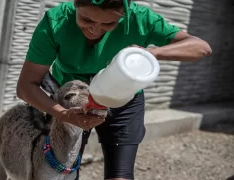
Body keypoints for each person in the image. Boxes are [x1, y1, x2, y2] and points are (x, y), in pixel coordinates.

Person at [16, 0, 212, 179]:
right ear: (76, 4)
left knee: (120, 174)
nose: (95, 30)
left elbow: (201, 47)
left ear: (124, 14)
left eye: (108, 24)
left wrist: (150, 53)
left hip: (123, 99)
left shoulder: (140, 19)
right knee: (64, 171)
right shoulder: (56, 21)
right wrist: (64, 114)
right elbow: (26, 86)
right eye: (86, 19)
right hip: (72, 101)